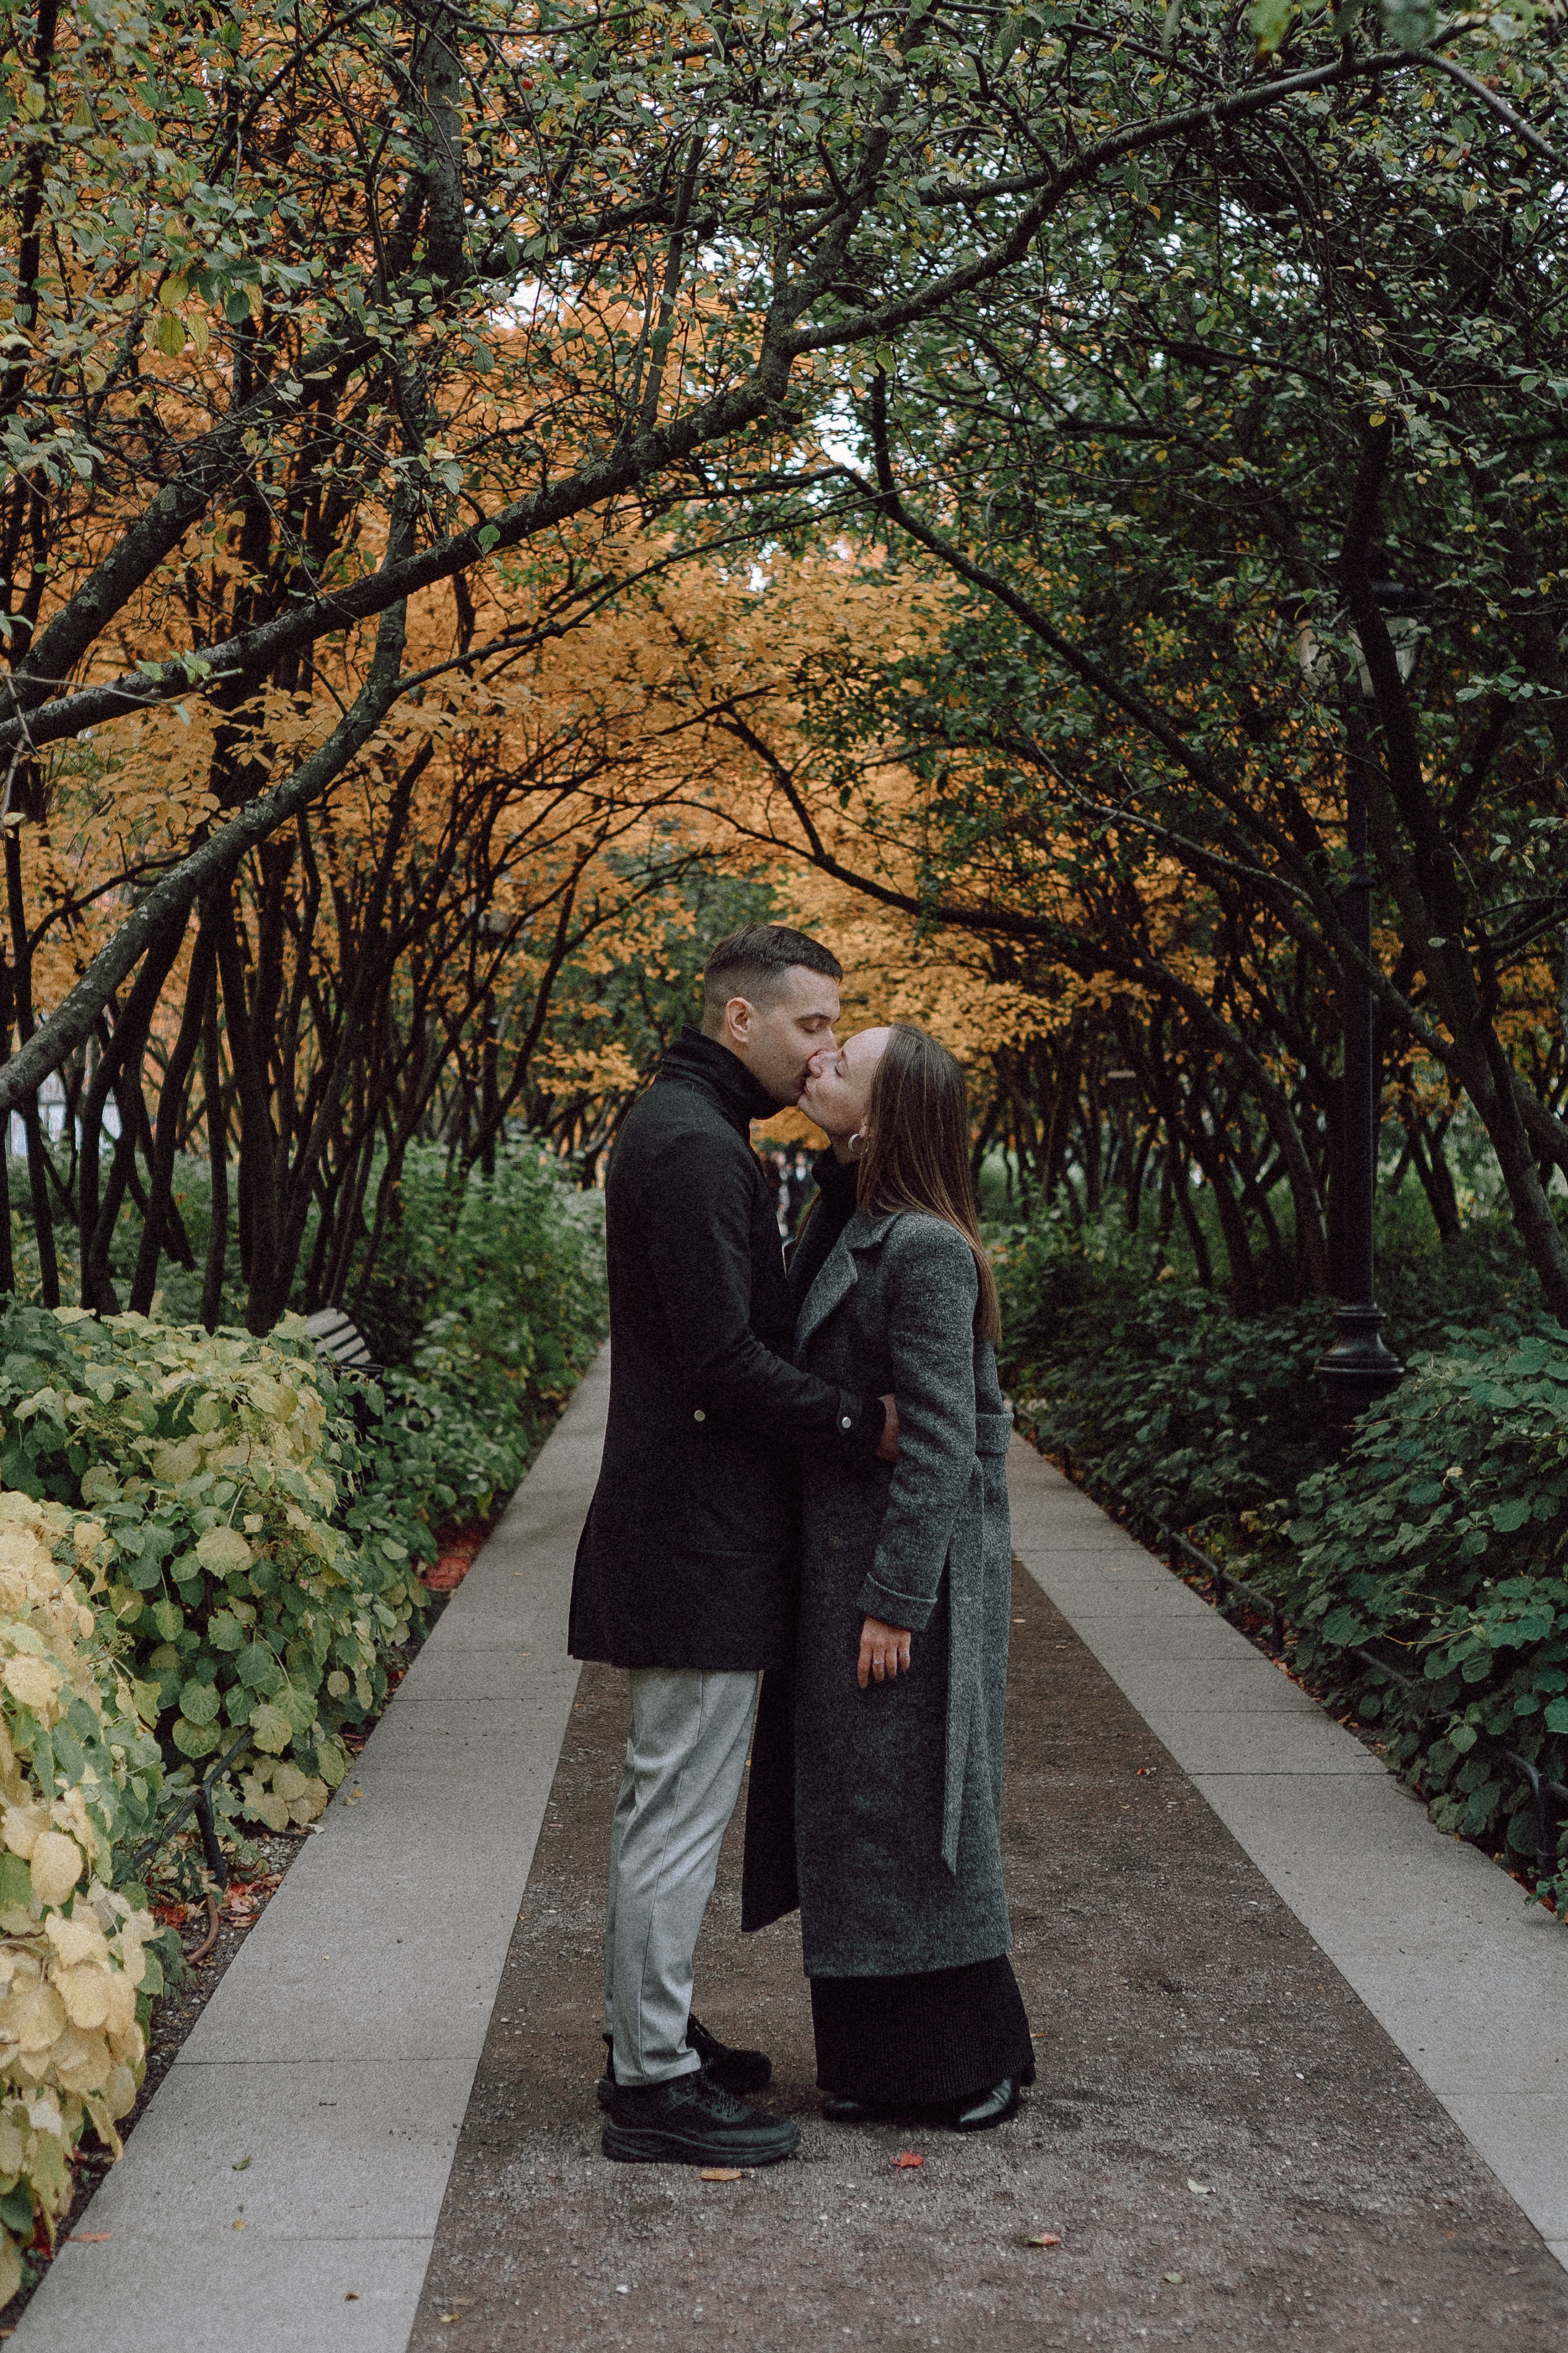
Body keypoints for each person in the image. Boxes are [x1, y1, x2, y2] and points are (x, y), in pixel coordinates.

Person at [568, 925, 899, 2170]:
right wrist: (861, 1421)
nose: (824, 1047)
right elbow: (722, 1363)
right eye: (812, 1025)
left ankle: (647, 2039)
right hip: (694, 1533)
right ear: (741, 1020)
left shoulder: (684, 1128)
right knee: (673, 1810)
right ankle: (651, 2087)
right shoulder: (701, 1149)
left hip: (685, 1522)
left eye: (837, 1029)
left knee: (665, 1801)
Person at [743, 1023, 1033, 2129]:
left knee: (921, 1811)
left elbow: (946, 1441)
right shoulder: (846, 1216)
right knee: (860, 1808)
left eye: (840, 1063)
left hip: (907, 1582)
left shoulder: (923, 1248)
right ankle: (877, 2060)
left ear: (884, 1112)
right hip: (846, 1564)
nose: (815, 1064)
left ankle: (973, 2062)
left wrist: (896, 1601)